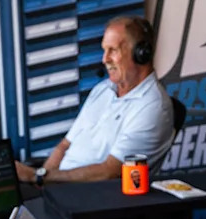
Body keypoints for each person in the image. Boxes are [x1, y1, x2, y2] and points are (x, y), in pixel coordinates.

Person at [15, 16, 174, 185]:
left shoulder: (153, 106)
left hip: (91, 199)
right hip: (57, 189)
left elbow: (109, 171)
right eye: (104, 50)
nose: (104, 59)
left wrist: (37, 176)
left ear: (141, 54)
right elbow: (64, 145)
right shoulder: (103, 89)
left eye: (113, 50)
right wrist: (42, 183)